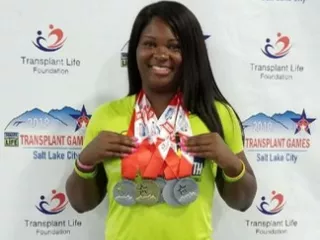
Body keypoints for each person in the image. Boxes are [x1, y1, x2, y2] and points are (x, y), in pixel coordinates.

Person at [65, 1, 257, 240]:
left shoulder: (217, 115)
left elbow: (243, 201)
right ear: (135, 50)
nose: (161, 55)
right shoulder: (107, 116)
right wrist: (85, 161)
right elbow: (81, 204)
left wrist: (230, 162)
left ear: (191, 54)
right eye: (149, 44)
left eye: (175, 46)